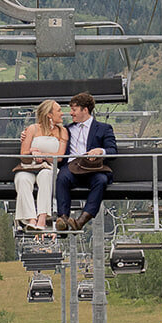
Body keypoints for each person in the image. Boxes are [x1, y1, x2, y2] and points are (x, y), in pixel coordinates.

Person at [54, 91, 118, 231]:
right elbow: (47, 134)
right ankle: (63, 218)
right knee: (62, 178)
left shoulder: (103, 128)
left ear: (85, 110)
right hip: (72, 167)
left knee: (101, 180)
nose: (71, 113)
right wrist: (27, 135)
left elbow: (113, 151)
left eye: (74, 109)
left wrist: (100, 151)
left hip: (92, 169)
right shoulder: (67, 130)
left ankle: (82, 220)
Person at [13, 99, 66, 230]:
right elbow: (23, 154)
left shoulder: (62, 131)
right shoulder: (32, 129)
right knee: (21, 179)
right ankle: (31, 218)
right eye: (59, 111)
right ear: (49, 114)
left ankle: (42, 218)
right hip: (30, 167)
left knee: (45, 176)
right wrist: (31, 152)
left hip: (49, 167)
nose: (62, 114)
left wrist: (43, 155)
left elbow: (59, 157)